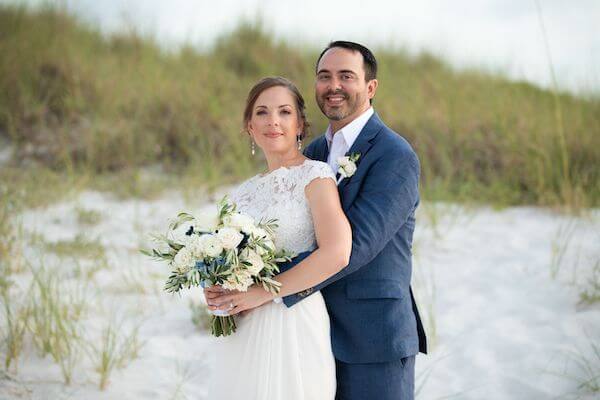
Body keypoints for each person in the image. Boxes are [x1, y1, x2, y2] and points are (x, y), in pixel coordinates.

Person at [207, 41, 427, 400]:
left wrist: (262, 290)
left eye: (346, 76)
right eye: (325, 76)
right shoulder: (313, 154)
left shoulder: (394, 155)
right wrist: (229, 283)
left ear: (370, 87)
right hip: (308, 327)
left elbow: (355, 247)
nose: (334, 85)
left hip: (372, 336)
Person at [207, 76, 352, 400]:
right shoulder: (240, 193)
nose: (273, 121)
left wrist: (263, 293)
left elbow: (337, 253)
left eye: (284, 112)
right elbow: (221, 256)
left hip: (294, 318)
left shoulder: (315, 176)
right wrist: (216, 288)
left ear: (300, 123)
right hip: (243, 324)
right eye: (262, 112)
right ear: (249, 126)